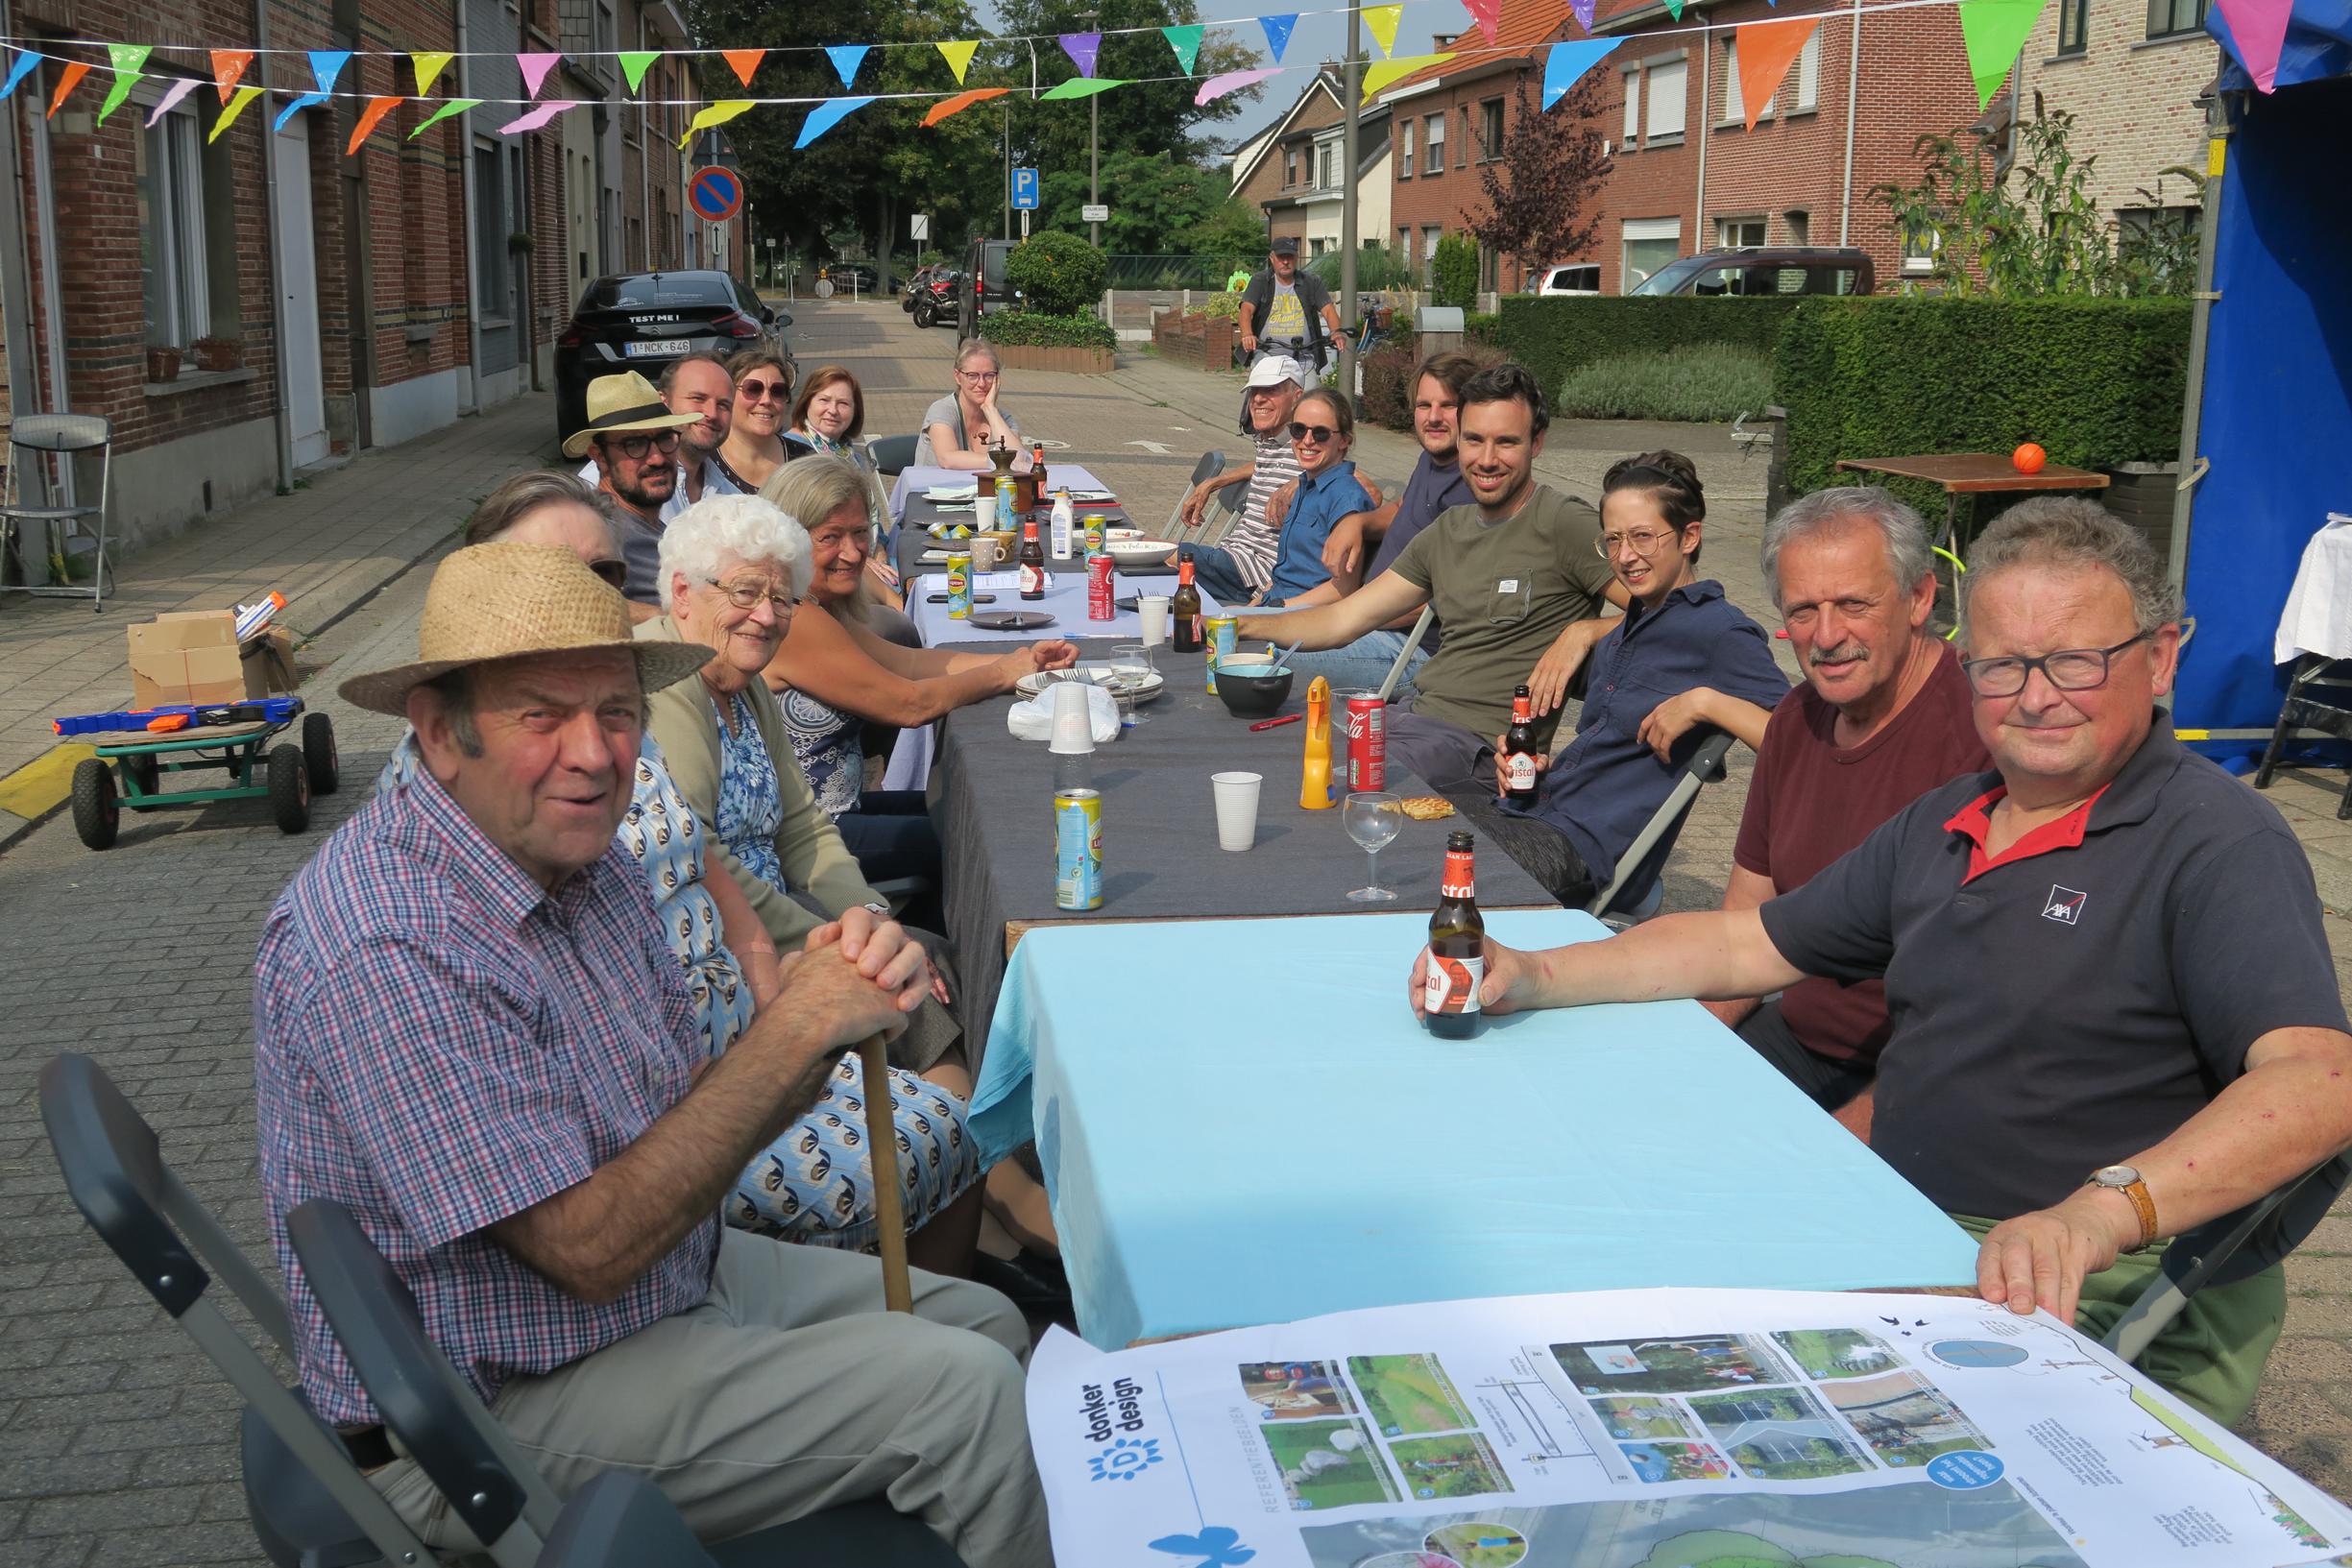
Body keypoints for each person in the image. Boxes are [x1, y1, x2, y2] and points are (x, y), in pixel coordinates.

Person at [1412, 496, 2352, 1426]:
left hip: (2075, 1278)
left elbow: (2323, 1080)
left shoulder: (2212, 840)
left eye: (2072, 661)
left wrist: (2100, 1213)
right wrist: (1533, 972)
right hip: (1895, 1226)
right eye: (2001, 666)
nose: (2034, 696)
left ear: (2158, 659)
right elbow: (1749, 938)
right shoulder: (1954, 816)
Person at [255, 542, 1046, 1561]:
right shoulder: (389, 942)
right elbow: (587, 1251)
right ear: (439, 736)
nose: (593, 751)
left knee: (985, 1327)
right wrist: (794, 1030)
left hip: (651, 1288)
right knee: (965, 1400)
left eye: (617, 712)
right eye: (540, 715)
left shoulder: (582, 855)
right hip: (484, 1401)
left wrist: (833, 1004)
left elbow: (687, 1114)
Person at [378, 476, 982, 1269]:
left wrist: (832, 943)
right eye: (546, 571)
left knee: (933, 1045)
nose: (571, 601)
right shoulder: (423, 878)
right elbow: (578, 1229)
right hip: (643, 1151)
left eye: (596, 577)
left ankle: (959, 1238)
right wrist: (795, 1007)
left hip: (707, 1052)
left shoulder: (623, 747)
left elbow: (733, 862)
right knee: (923, 1008)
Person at [631, 494, 966, 1081]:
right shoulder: (674, 681)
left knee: (923, 955)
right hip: (722, 946)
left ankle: (971, 1152)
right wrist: (831, 941)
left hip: (783, 909)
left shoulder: (743, 680)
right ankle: (982, 1163)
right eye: (743, 592)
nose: (765, 615)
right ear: (682, 593)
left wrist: (868, 914)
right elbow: (700, 857)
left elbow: (803, 824)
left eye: (781, 598)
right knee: (912, 980)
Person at [1707, 487, 1989, 1130]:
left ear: (1919, 598)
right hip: (1801, 1037)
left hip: (1929, 1068)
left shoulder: (1981, 738)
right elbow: (1742, 921)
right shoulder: (1793, 720)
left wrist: (1843, 1140)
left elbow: (1976, 1009)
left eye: (1853, 605)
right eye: (1802, 610)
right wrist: (1686, 1049)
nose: (1826, 636)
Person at [1236, 363, 1627, 793]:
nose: (1487, 459)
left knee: (1331, 785)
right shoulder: (1450, 528)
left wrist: (1586, 631)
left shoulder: (1562, 522)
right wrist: (1239, 627)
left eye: (1507, 442)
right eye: (1474, 440)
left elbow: (1681, 608)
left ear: (1536, 444)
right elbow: (1341, 620)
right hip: (1411, 719)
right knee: (1275, 755)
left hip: (1473, 751)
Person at [1456, 451, 1787, 907]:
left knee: (1439, 871)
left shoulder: (1721, 633)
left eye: (1643, 538)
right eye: (1612, 541)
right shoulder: (1627, 628)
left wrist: (1707, 704)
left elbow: (1799, 746)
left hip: (1590, 852)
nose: (1625, 557)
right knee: (1409, 833)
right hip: (1540, 815)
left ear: (1689, 536)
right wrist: (1534, 771)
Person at [756, 454, 1079, 919]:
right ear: (786, 541)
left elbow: (909, 663)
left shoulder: (814, 605)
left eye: (860, 532)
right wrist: (1002, 675)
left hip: (830, 813)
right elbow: (907, 704)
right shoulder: (793, 617)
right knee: (979, 840)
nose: (852, 552)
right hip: (805, 840)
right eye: (829, 537)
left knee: (972, 808)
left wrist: (1020, 662)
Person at [1284, 350, 1482, 696]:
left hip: (1410, 649)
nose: (1433, 417)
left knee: (1263, 656)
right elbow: (1405, 507)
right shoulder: (1432, 460)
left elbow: (1436, 600)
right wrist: (1359, 523)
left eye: (1447, 405)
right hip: (1365, 621)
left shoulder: (1472, 489)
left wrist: (1351, 614)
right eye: (1423, 405)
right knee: (1239, 634)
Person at [566, 370, 707, 619]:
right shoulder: (599, 534)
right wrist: (673, 620)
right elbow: (570, 602)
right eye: (634, 444)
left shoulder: (657, 526)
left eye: (665, 438)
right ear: (599, 456)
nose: (657, 458)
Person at [1173, 355, 1309, 604]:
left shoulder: (1307, 446)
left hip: (1253, 574)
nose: (1257, 398)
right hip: (1232, 555)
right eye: (1254, 391)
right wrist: (1213, 483)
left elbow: (1361, 485)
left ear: (1297, 396)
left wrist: (1300, 482)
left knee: (1150, 553)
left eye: (1271, 390)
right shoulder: (1270, 440)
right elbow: (1264, 464)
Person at [1251, 388, 1373, 607]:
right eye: (1298, 430)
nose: (1307, 441)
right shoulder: (1306, 485)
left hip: (1304, 620)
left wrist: (1275, 611)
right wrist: (1245, 612)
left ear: (1344, 440)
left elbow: (1344, 589)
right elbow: (1283, 578)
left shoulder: (1346, 497)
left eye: (1320, 433)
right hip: (1275, 607)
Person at [576, 353, 740, 514]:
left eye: (723, 405)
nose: (711, 413)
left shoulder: (731, 495)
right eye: (698, 398)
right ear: (663, 402)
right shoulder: (592, 491)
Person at [1239, 236, 1342, 372]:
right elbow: (1246, 310)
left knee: (1310, 392)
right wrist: (1247, 334)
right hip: (1267, 355)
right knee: (1264, 389)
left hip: (1304, 356)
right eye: (1281, 257)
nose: (1286, 261)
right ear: (1272, 258)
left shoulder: (1311, 282)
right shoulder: (1260, 281)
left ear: (1297, 257)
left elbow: (1328, 310)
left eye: (1290, 257)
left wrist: (1336, 332)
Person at [915, 340, 1021, 471]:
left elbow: (1018, 459)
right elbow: (947, 459)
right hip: (933, 489)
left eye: (989, 375)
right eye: (972, 376)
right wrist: (1000, 461)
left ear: (997, 379)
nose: (981, 383)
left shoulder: (1003, 419)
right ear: (958, 376)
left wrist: (990, 410)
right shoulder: (942, 410)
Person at [713, 350, 798, 494]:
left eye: (777, 391)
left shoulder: (804, 459)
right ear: (728, 396)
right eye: (753, 389)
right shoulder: (705, 463)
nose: (766, 401)